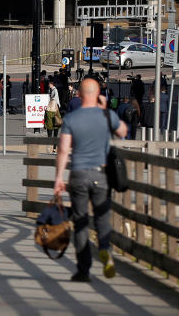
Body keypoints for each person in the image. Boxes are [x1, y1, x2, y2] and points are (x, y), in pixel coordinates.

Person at [54, 77, 128, 282]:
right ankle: (105, 249)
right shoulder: (106, 116)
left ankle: (83, 270)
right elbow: (123, 131)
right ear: (98, 95)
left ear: (79, 95)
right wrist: (105, 109)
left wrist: (59, 177)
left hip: (78, 173)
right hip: (101, 174)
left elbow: (62, 150)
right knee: (102, 218)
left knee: (80, 222)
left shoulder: (71, 119)